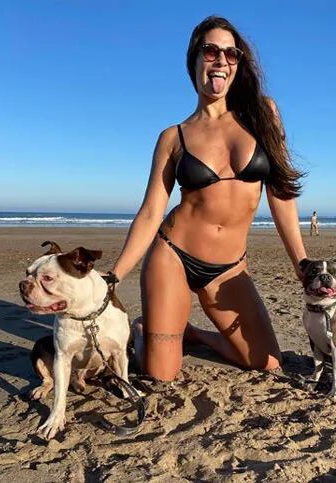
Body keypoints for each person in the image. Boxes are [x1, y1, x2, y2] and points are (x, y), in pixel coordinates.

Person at [110, 16, 307, 381]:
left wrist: (301, 263)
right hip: (174, 256)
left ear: (239, 63)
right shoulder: (173, 137)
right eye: (211, 50)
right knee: (160, 373)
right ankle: (142, 333)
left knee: (266, 362)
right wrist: (114, 276)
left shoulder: (263, 114)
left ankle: (193, 334)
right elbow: (152, 211)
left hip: (230, 267)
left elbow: (280, 192)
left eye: (231, 54)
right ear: (195, 59)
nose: (221, 60)